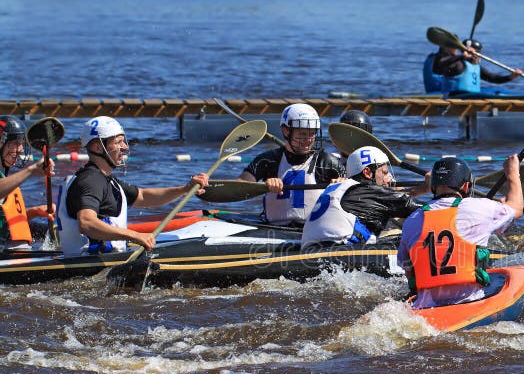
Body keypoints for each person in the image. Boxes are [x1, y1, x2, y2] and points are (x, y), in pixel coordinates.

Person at [56, 116, 208, 257]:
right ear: (97, 148)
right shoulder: (90, 181)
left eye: (123, 141)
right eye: (117, 142)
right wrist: (135, 235)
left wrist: (185, 189)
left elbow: (143, 196)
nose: (125, 147)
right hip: (90, 263)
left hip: (106, 258)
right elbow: (87, 223)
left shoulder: (104, 179)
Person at [398, 155, 523, 309]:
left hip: (425, 308)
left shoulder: (412, 220)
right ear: (465, 187)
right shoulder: (479, 207)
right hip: (469, 302)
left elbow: (408, 270)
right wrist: (512, 173)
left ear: (433, 186)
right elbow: (516, 208)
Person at [238, 103, 345, 228]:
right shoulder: (267, 160)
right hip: (272, 228)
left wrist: (343, 185)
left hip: (314, 231)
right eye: (302, 134)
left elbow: (358, 192)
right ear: (286, 131)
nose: (309, 139)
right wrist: (263, 185)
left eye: (312, 133)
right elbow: (239, 187)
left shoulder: (328, 163)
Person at [301, 146, 429, 249]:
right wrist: (439, 188)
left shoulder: (338, 187)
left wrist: (422, 189)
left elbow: (395, 201)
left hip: (307, 252)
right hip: (339, 254)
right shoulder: (369, 190)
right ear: (367, 172)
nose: (389, 179)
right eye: (384, 173)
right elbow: (425, 210)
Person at [0, 115, 55, 251]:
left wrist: (35, 211)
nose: (21, 150)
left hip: (10, 248)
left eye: (21, 143)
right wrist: (32, 169)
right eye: (16, 143)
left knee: (53, 232)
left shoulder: (4, 177)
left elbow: (5, 217)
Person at [423, 38, 522, 95]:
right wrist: (461, 56)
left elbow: (493, 78)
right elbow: (437, 69)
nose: (479, 57)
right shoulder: (458, 65)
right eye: (478, 54)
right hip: (456, 98)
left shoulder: (475, 67)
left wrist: (511, 76)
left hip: (469, 97)